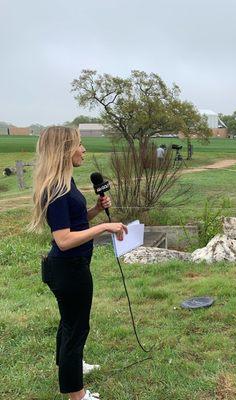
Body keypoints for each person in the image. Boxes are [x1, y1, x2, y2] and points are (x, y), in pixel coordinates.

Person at [29, 126, 128, 400]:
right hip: (68, 268)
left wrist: (96, 211)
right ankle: (77, 394)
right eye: (80, 145)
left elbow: (73, 223)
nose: (84, 150)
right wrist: (104, 228)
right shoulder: (57, 189)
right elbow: (63, 239)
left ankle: (69, 366)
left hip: (71, 266)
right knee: (77, 327)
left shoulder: (66, 182)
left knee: (69, 322)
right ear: (64, 150)